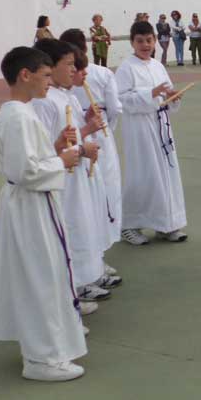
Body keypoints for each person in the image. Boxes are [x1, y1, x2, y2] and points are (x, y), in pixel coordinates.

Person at [0, 46, 87, 382]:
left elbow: (31, 159)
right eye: (46, 75)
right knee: (40, 276)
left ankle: (48, 346)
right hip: (30, 204)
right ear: (25, 75)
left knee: (45, 273)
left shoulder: (23, 113)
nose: (50, 82)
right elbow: (24, 171)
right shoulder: (17, 116)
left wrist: (56, 147)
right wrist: (62, 161)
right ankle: (41, 359)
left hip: (34, 203)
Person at [31, 40, 116, 305]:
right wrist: (86, 133)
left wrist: (86, 120)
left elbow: (69, 129)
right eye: (68, 65)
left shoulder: (64, 95)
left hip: (78, 173)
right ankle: (76, 284)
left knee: (84, 223)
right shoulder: (44, 102)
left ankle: (86, 276)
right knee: (73, 226)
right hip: (65, 178)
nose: (73, 70)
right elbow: (49, 143)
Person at [115, 20, 188, 243]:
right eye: (140, 41)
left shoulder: (158, 66)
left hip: (161, 127)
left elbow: (166, 94)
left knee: (166, 175)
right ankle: (129, 225)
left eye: (149, 40)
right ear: (132, 42)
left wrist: (172, 97)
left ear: (155, 41)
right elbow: (121, 100)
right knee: (143, 175)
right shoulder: (126, 68)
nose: (145, 45)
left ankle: (166, 224)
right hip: (140, 130)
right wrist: (150, 94)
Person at [60, 28, 124, 255]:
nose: (81, 73)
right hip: (87, 142)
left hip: (87, 136)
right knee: (102, 187)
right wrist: (96, 128)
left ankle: (99, 243)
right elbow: (115, 108)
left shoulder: (66, 95)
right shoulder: (103, 73)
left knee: (97, 190)